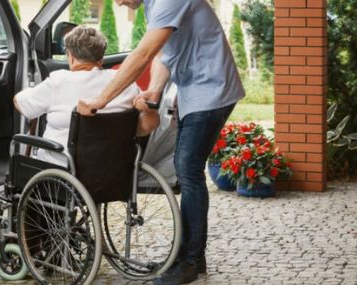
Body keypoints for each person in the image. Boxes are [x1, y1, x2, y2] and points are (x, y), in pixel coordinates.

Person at [77, 1, 245, 284]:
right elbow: (165, 54)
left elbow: (144, 53)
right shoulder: (153, 5)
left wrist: (101, 99)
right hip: (198, 90)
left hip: (211, 90)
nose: (117, 1)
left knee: (188, 171)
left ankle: (189, 261)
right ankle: (194, 256)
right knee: (188, 170)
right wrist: (155, 89)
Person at [14, 25, 159, 167]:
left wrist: (27, 91)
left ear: (70, 57)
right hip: (113, 172)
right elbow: (146, 126)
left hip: (62, 172)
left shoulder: (58, 82)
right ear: (101, 59)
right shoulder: (125, 84)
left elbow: (21, 105)